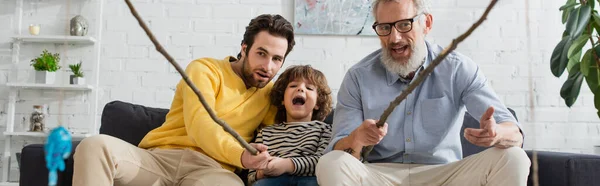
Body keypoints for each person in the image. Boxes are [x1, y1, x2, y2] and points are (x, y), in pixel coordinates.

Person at [315, 0, 531, 186]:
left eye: (404, 25)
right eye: (384, 28)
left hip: (445, 175)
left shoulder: (457, 68)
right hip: (380, 176)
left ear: (426, 23)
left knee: (514, 157)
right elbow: (340, 150)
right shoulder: (358, 77)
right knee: (330, 164)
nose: (394, 38)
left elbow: (515, 134)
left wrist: (497, 134)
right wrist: (357, 138)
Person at [72, 14, 296, 186]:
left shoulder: (271, 95)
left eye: (277, 59)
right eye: (261, 53)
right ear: (244, 48)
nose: (268, 67)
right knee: (94, 146)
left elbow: (277, 136)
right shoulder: (205, 69)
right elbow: (201, 125)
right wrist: (241, 155)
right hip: (159, 160)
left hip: (213, 171)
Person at [246, 65, 333, 186]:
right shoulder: (265, 133)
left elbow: (324, 163)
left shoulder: (325, 130)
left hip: (310, 181)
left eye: (309, 88)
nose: (300, 89)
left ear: (318, 103)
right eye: (293, 86)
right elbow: (251, 176)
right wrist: (260, 173)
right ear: (282, 99)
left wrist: (288, 165)